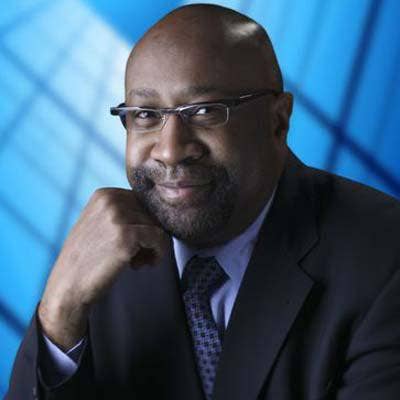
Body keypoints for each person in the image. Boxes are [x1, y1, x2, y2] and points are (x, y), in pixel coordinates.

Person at [5, 4, 400, 400]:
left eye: (205, 111)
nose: (170, 150)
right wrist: (59, 312)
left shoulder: (384, 257)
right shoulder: (98, 264)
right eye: (145, 115)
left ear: (277, 120)